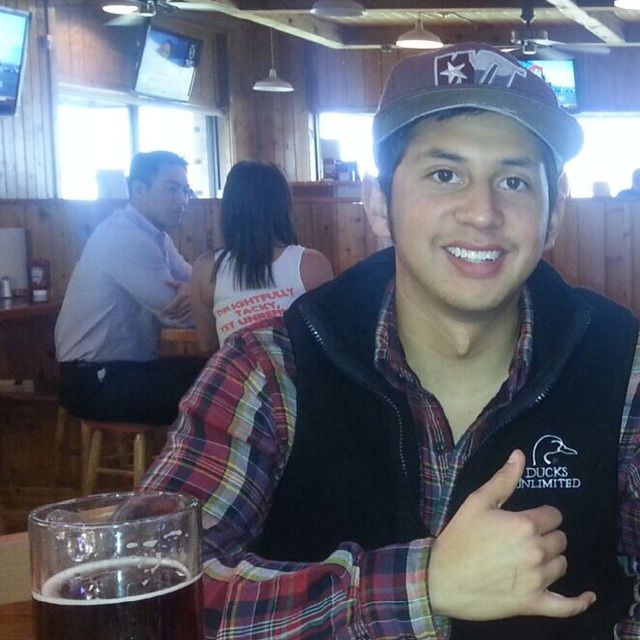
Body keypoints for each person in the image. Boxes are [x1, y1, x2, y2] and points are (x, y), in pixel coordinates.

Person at [141, 43, 640, 638]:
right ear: (380, 204)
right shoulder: (268, 369)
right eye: (445, 175)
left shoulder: (624, 368)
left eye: (514, 180)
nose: (482, 213)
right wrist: (423, 587)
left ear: (552, 215)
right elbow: (159, 586)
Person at [55, 150, 205, 426]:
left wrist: (196, 290)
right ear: (138, 189)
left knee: (220, 373)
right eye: (172, 189)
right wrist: (211, 297)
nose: (183, 200)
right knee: (220, 390)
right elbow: (176, 313)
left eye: (186, 191)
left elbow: (195, 280)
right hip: (94, 380)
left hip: (122, 371)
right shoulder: (125, 236)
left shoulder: (154, 236)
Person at [191, 160, 334, 353]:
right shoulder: (312, 264)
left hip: (237, 371)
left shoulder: (206, 268)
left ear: (229, 209)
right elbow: (330, 342)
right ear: (283, 207)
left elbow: (207, 345)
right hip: (299, 372)